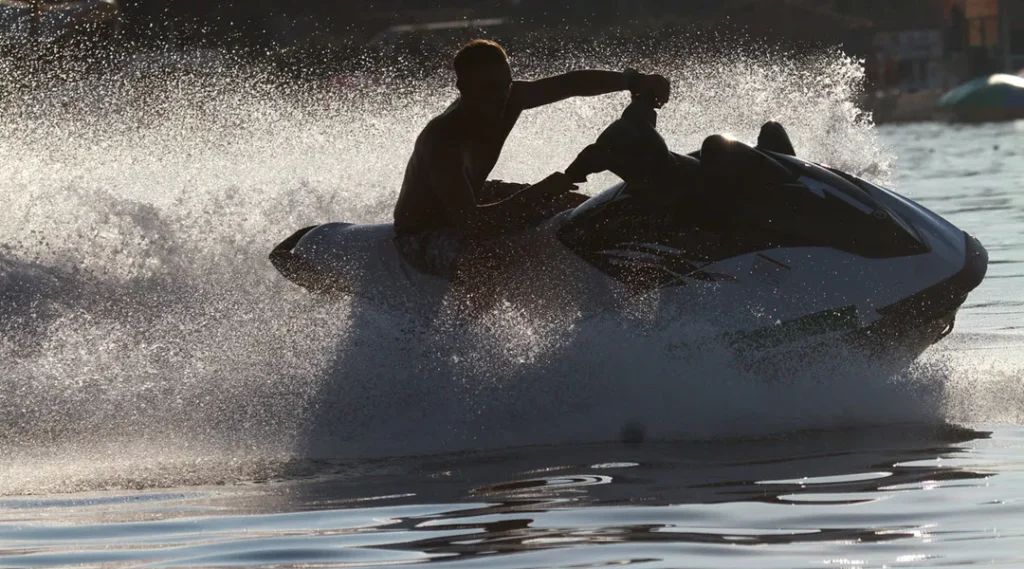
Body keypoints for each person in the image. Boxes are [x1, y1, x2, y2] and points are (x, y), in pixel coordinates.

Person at [393, 39, 671, 282]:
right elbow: (471, 224)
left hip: (474, 197)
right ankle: (472, 328)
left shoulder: (510, 98)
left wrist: (633, 81)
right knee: (485, 262)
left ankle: (648, 273)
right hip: (424, 229)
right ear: (463, 87)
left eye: (506, 84)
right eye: (489, 88)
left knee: (583, 209)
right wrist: (538, 192)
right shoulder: (443, 140)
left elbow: (572, 84)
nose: (501, 96)